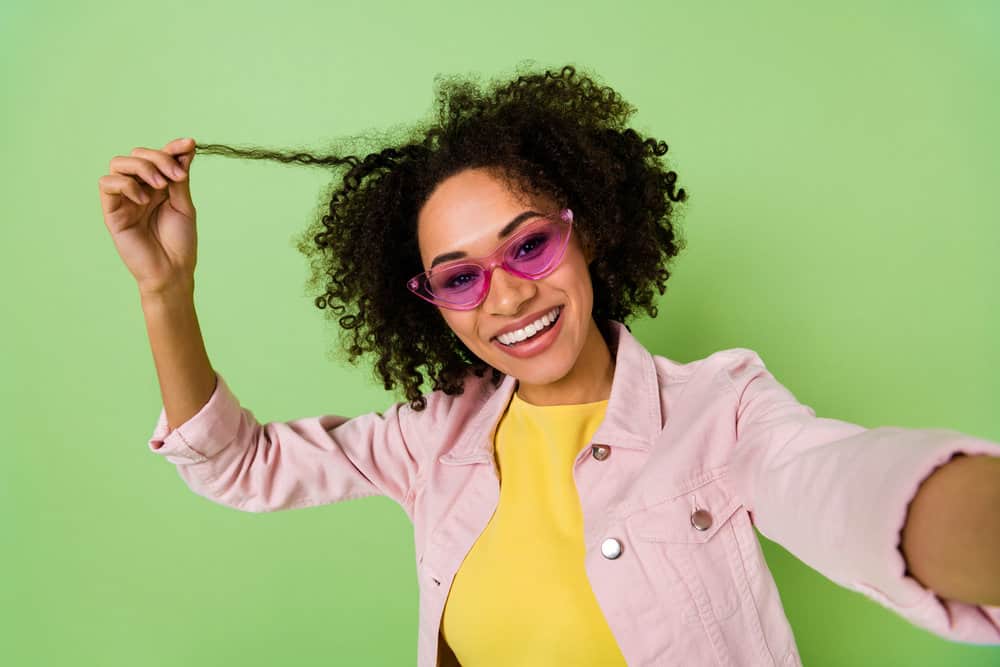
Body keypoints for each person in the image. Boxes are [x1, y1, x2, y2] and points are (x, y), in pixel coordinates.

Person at [98, 65, 1000, 666]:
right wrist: (165, 291)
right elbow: (243, 466)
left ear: (587, 232)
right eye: (459, 276)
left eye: (527, 245)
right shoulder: (432, 439)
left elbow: (844, 486)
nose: (505, 297)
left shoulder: (721, 411)